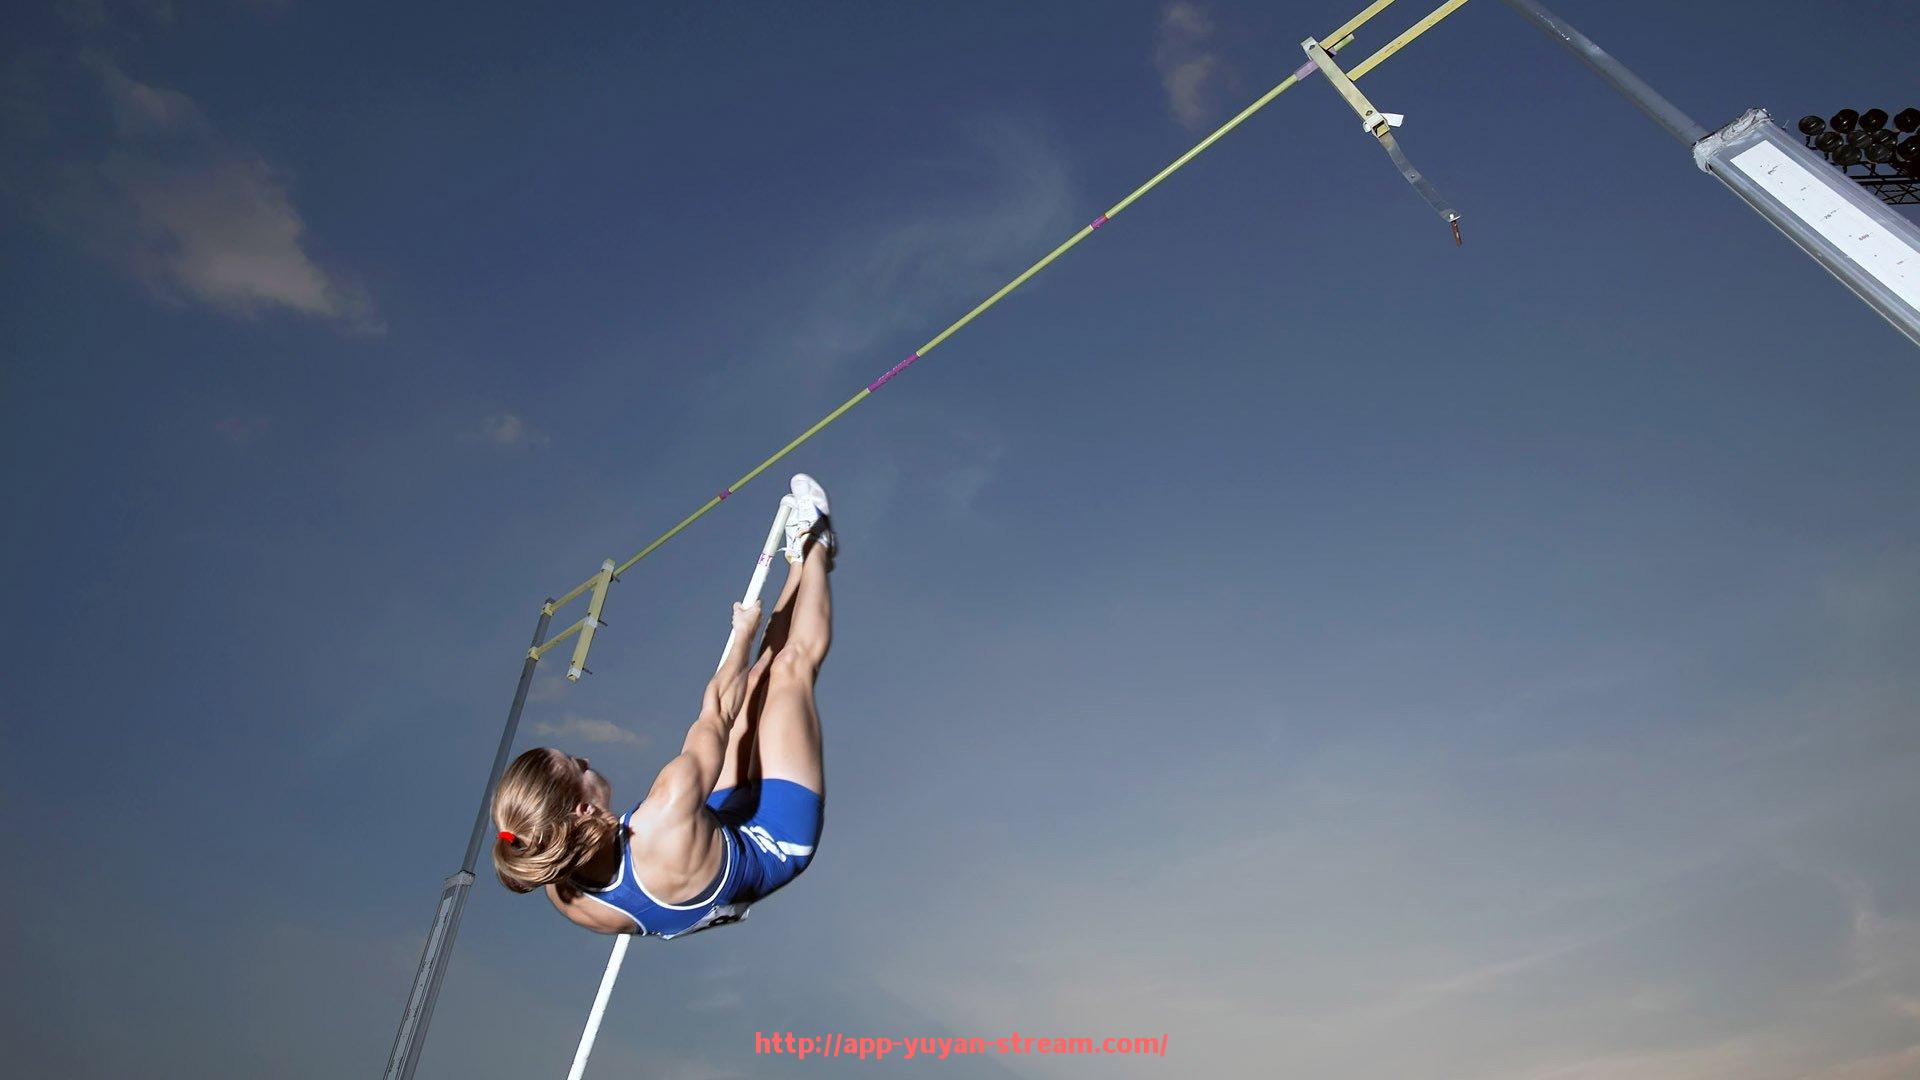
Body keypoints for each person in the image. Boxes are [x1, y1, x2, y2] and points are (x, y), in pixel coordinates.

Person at [489, 474, 835, 938]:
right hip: (773, 843)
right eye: (578, 765)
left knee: (755, 688)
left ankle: (795, 565)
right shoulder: (665, 808)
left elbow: (659, 918)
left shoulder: (560, 887)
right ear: (582, 810)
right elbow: (717, 709)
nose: (587, 759)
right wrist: (743, 634)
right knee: (788, 671)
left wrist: (706, 909)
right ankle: (817, 545)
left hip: (709, 837)